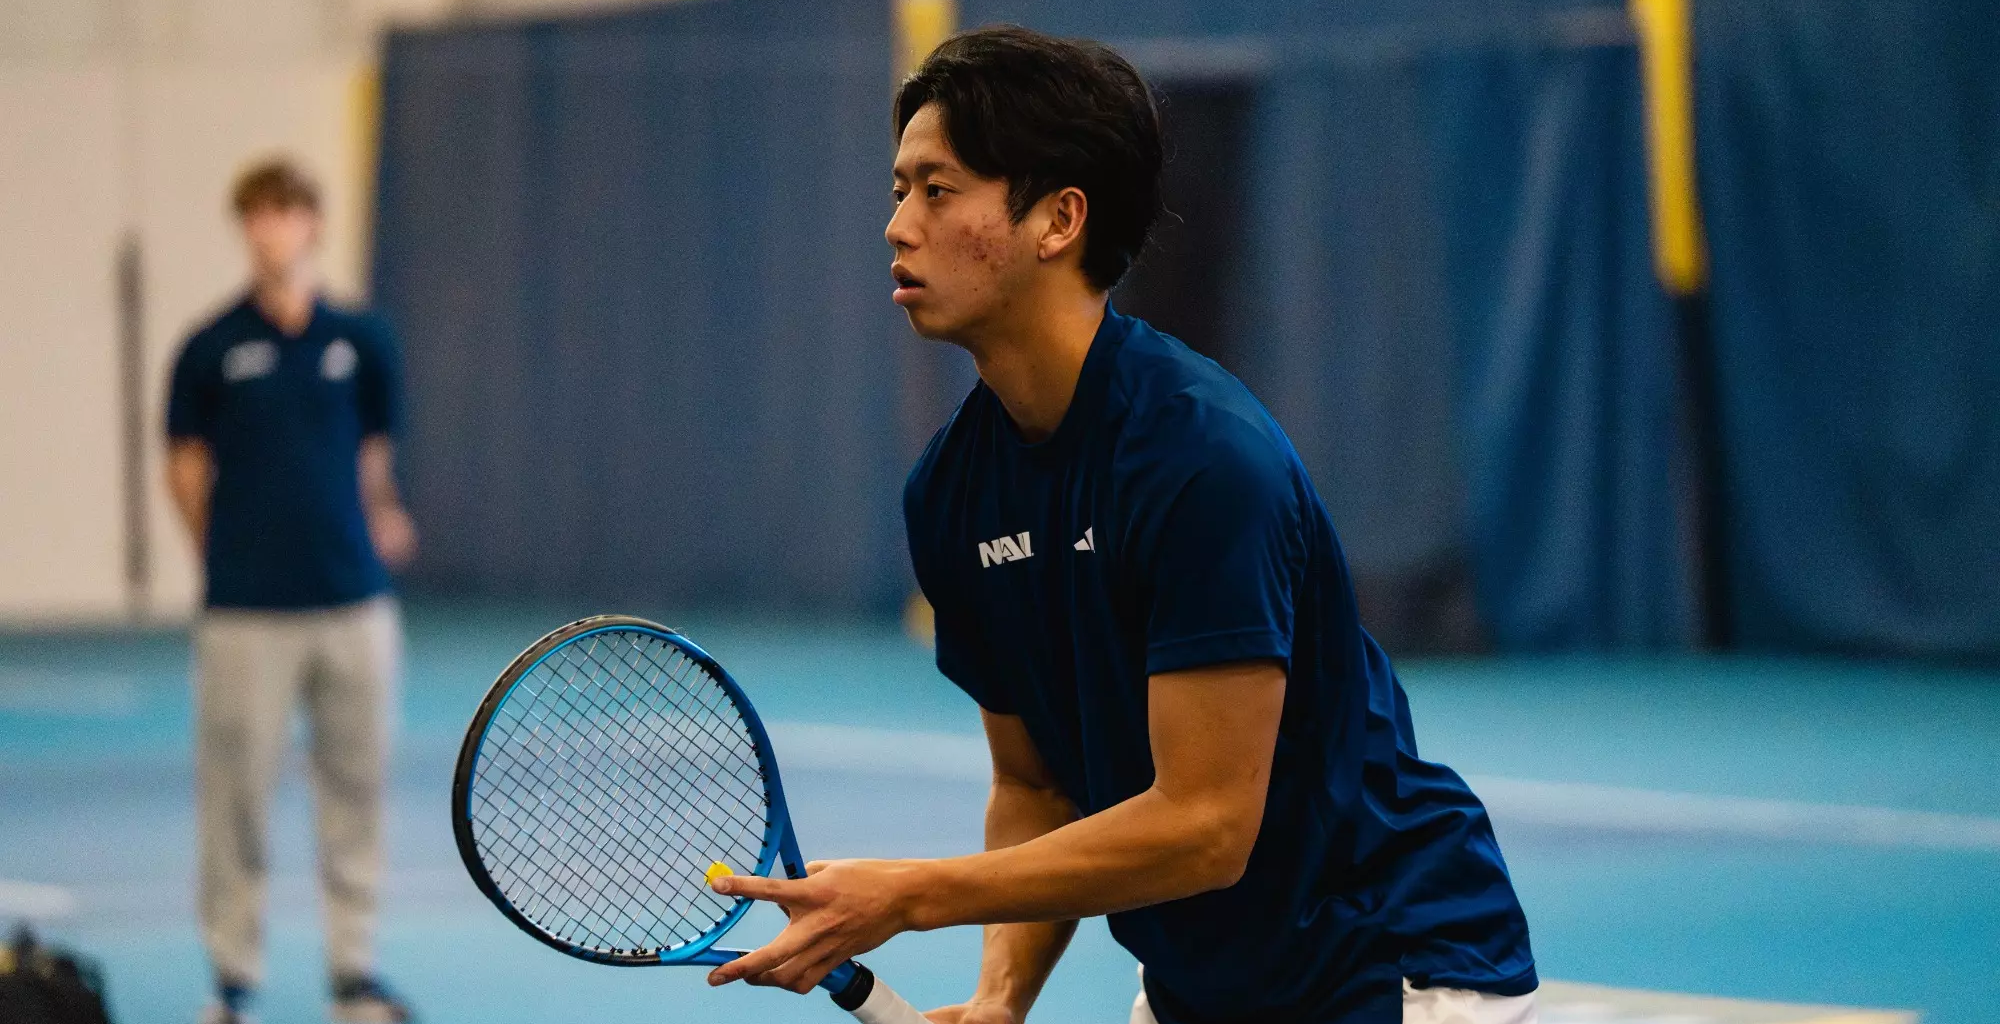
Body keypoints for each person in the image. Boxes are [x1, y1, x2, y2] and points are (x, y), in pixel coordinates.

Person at [702, 26, 1538, 1024]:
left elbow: (1204, 825)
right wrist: (1000, 994)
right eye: (897, 190)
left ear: (1056, 220)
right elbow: (1034, 782)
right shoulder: (950, 493)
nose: (896, 223)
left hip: (1393, 966)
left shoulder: (1202, 461)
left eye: (937, 189)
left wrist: (911, 894)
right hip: (1199, 985)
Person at [164, 157, 418, 1024]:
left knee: (357, 788)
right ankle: (233, 980)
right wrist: (220, 551)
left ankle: (355, 973)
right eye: (257, 216)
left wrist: (381, 514)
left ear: (312, 223)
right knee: (236, 799)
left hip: (354, 604)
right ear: (245, 229)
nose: (273, 230)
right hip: (246, 613)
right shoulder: (209, 347)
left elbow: (372, 450)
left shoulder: (361, 340)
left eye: (287, 212)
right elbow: (184, 463)